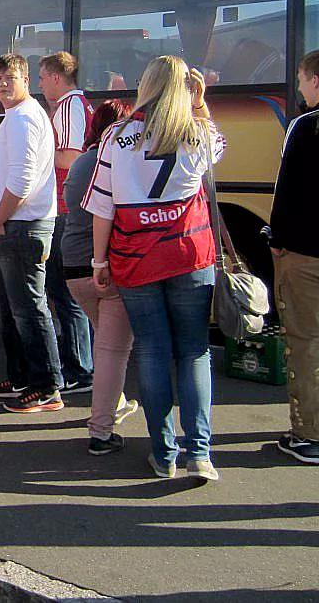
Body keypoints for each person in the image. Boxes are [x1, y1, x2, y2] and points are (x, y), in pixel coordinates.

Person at [84, 56, 225, 481]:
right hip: (189, 255)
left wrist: (98, 261)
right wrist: (199, 104)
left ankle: (164, 455)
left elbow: (102, 208)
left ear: (145, 85)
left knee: (152, 352)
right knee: (195, 352)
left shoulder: (116, 135)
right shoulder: (197, 132)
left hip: (135, 258)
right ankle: (200, 452)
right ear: (186, 88)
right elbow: (219, 151)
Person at [0, 54, 64, 413]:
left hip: (22, 225)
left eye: (10, 78)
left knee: (28, 308)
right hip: (16, 224)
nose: (2, 84)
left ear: (26, 80)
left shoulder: (24, 119)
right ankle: (20, 377)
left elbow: (22, 180)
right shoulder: (17, 116)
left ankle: (46, 386)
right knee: (13, 307)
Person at [61, 100, 140, 455]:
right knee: (113, 350)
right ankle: (102, 430)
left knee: (105, 342)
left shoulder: (80, 162)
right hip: (105, 266)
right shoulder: (118, 160)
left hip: (72, 267)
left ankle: (116, 401)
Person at [267, 49, 319, 465]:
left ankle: (309, 435)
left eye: (301, 78)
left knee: (305, 341)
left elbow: (287, 191)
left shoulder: (304, 126)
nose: (299, 87)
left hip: (306, 253)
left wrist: (278, 239)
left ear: (315, 81)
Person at [39, 52, 96, 395]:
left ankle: (80, 369)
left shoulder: (71, 106)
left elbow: (72, 156)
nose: (41, 84)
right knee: (63, 289)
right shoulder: (70, 106)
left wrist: (38, 150)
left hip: (66, 208)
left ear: (57, 78)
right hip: (63, 206)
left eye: (43, 77)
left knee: (65, 291)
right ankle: (78, 362)